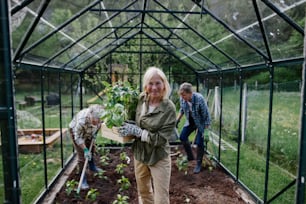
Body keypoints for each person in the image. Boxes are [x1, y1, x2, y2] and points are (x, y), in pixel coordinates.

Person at [118, 67, 176, 204]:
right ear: (145, 85)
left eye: (158, 83)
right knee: (144, 193)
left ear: (164, 85)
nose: (154, 87)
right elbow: (134, 119)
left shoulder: (169, 108)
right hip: (140, 154)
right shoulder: (141, 100)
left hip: (158, 156)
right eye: (150, 83)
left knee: (161, 198)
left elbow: (161, 139)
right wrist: (125, 125)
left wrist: (138, 132)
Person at [176, 82, 211, 174]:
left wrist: (206, 130)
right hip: (191, 121)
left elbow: (206, 116)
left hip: (200, 122)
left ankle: (198, 163)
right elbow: (182, 109)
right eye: (181, 95)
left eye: (184, 95)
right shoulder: (183, 99)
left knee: (199, 143)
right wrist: (177, 120)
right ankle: (190, 156)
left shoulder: (199, 99)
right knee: (182, 137)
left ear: (190, 93)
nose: (182, 97)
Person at [69, 104, 104, 189]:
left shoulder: (99, 118)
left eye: (99, 121)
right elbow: (77, 137)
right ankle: (82, 179)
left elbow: (99, 125)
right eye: (95, 121)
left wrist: (95, 133)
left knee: (91, 150)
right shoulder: (82, 121)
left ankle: (92, 167)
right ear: (90, 115)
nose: (97, 122)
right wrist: (85, 149)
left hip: (89, 133)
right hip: (77, 134)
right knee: (82, 158)